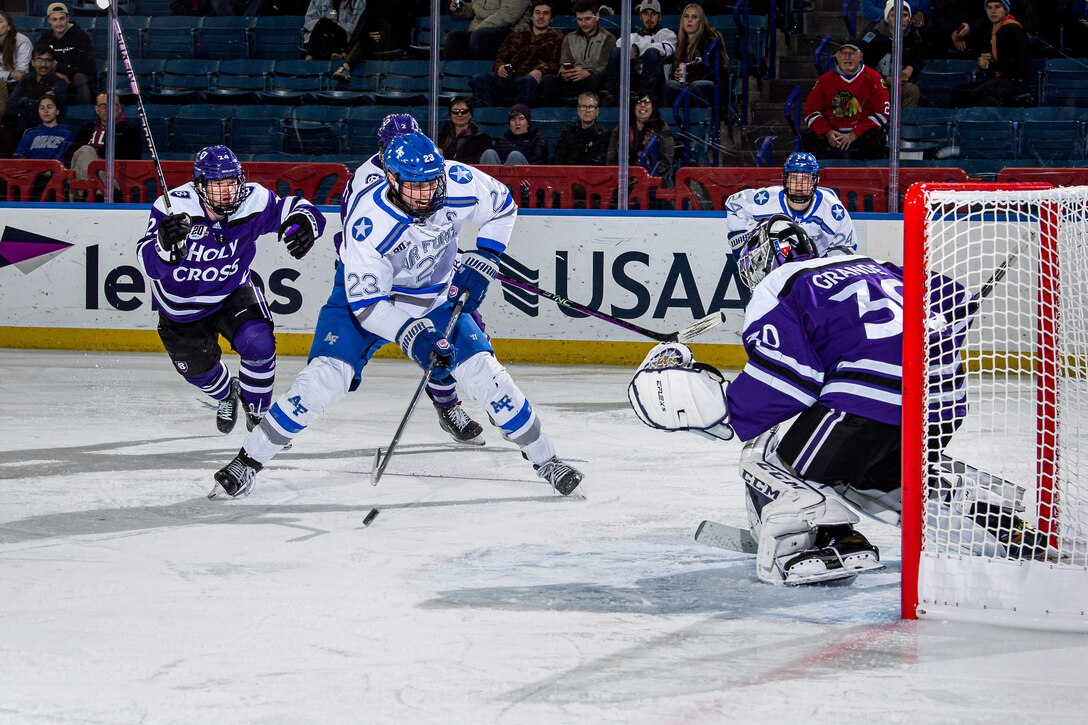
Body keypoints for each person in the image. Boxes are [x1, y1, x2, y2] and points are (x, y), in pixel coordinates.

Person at [627, 217, 1043, 585]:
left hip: (870, 400)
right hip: (943, 403)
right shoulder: (869, 265)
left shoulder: (779, 286)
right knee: (872, 475)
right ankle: (988, 522)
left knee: (769, 455)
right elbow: (951, 297)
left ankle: (827, 539)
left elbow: (788, 384)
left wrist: (708, 401)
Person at [212, 131, 586, 500]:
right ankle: (248, 462)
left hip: (433, 297)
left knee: (487, 376)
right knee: (322, 381)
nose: (428, 194)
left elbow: (503, 205)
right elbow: (370, 306)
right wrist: (415, 336)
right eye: (416, 186)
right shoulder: (369, 222)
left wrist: (486, 257)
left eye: (432, 183)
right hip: (365, 300)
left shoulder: (456, 181)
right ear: (392, 178)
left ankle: (547, 459)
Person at [135, 146, 325, 437]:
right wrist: (163, 245)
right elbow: (148, 261)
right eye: (217, 184)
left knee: (260, 345)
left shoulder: (254, 200)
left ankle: (260, 417)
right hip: (180, 309)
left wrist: (306, 224)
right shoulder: (173, 206)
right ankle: (227, 393)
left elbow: (297, 208)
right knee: (198, 372)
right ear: (199, 186)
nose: (227, 192)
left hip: (232, 293)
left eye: (231, 183)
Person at [343, 112, 488, 444]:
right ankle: (343, 370)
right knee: (359, 346)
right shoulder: (366, 180)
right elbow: (360, 240)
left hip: (434, 276)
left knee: (463, 331)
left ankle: (451, 404)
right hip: (388, 282)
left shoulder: (431, 171)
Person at [722, 152, 857, 258]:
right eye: (793, 178)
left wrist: (824, 268)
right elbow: (735, 204)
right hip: (776, 260)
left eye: (805, 178)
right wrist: (739, 244)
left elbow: (847, 246)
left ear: (815, 181)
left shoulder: (831, 207)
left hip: (816, 263)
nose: (799, 184)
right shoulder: (767, 199)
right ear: (785, 179)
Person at [800, 37, 889, 160]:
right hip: (833, 133)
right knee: (807, 137)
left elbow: (882, 112)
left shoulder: (873, 78)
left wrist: (855, 134)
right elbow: (810, 111)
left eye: (851, 53)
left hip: (861, 134)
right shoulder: (825, 80)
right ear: (837, 56)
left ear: (860, 55)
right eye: (843, 53)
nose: (847, 57)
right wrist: (828, 132)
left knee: (875, 138)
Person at [468, 0, 563, 108]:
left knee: (528, 81)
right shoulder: (516, 35)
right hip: (508, 78)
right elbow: (500, 58)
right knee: (478, 79)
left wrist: (540, 70)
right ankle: (486, 117)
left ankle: (517, 117)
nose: (541, 16)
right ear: (531, 16)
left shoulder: (557, 38)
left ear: (551, 19)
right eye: (537, 12)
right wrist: (500, 67)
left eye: (546, 13)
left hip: (529, 79)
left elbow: (556, 64)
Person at [950, 1, 1032, 107]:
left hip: (1015, 81)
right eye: (989, 7)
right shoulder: (994, 28)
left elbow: (1017, 66)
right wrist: (985, 59)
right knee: (959, 92)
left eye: (997, 7)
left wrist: (990, 64)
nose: (993, 11)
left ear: (1005, 10)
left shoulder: (1013, 29)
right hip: (1000, 78)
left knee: (976, 95)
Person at [538, 0, 616, 106]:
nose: (583, 24)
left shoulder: (608, 38)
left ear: (597, 16)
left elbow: (604, 66)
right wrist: (563, 74)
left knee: (593, 79)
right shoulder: (569, 38)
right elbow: (564, 63)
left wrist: (587, 72)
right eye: (579, 19)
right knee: (548, 80)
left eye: (587, 19)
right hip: (572, 79)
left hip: (594, 79)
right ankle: (550, 115)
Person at [67, 92, 142, 195]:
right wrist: (91, 159)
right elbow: (71, 154)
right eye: (103, 106)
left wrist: (99, 161)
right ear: (97, 109)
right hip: (83, 172)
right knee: (86, 151)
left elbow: (133, 157)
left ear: (119, 108)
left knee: (87, 151)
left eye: (112, 105)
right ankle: (100, 191)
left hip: (112, 173)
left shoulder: (128, 129)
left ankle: (90, 192)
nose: (107, 109)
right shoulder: (87, 128)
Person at [605, 0, 676, 105]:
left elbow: (668, 48)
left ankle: (646, 99)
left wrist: (637, 49)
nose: (649, 18)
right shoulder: (631, 37)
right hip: (631, 82)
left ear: (659, 16)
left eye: (653, 14)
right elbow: (617, 51)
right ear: (640, 16)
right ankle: (612, 97)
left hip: (657, 84)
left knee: (652, 52)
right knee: (616, 52)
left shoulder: (667, 34)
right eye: (645, 13)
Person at [663, 4, 730, 112]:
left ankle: (702, 122)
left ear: (701, 21)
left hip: (709, 84)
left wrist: (693, 74)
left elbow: (717, 71)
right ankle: (670, 123)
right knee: (670, 85)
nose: (689, 20)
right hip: (688, 85)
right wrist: (676, 74)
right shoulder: (680, 44)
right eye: (686, 16)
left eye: (694, 17)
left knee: (697, 86)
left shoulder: (711, 40)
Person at [860, 1, 924, 108]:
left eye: (904, 15)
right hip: (876, 84)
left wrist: (911, 68)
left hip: (900, 86)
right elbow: (864, 67)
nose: (899, 19)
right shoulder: (872, 38)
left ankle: (906, 123)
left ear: (909, 19)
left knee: (913, 90)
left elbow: (919, 60)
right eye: (894, 15)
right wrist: (884, 79)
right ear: (887, 18)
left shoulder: (914, 37)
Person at [330, 0, 413, 81]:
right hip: (377, 35)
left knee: (368, 14)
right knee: (366, 40)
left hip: (394, 36)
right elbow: (370, 20)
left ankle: (346, 52)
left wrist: (381, 31)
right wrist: (369, 32)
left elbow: (404, 21)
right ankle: (345, 67)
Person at [36, 3, 95, 106]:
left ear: (67, 18)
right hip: (54, 77)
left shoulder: (81, 36)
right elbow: (36, 62)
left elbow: (86, 66)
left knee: (80, 77)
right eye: (54, 19)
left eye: (61, 19)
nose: (58, 23)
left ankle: (83, 113)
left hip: (77, 79)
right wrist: (55, 73)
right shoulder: (45, 38)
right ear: (49, 21)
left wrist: (58, 66)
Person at [605, 92, 674, 179]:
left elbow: (666, 160)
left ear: (652, 106)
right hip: (624, 180)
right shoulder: (622, 129)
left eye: (647, 101)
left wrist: (646, 177)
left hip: (652, 179)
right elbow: (611, 160)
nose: (642, 105)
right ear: (633, 107)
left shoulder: (661, 127)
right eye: (638, 102)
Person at [4, 44, 67, 137]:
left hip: (46, 132)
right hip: (21, 129)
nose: (43, 65)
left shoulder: (59, 83)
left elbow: (49, 111)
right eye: (39, 60)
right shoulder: (25, 79)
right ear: (32, 62)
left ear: (53, 63)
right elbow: (10, 106)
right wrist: (38, 102)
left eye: (47, 60)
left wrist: (24, 101)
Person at [446, 0, 532, 61]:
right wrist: (462, 8)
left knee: (479, 37)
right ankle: (455, 81)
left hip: (512, 33)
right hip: (480, 31)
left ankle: (484, 78)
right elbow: (475, 10)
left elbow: (507, 16)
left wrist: (478, 28)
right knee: (454, 37)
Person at [551, 91, 610, 165]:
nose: (587, 110)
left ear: (597, 111)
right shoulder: (568, 131)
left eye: (591, 107)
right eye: (583, 107)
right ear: (578, 110)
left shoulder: (604, 134)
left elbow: (599, 162)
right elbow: (558, 159)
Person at [480, 103, 549, 165]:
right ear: (509, 124)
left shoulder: (537, 138)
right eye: (513, 120)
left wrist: (511, 162)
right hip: (501, 174)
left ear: (528, 123)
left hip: (529, 175)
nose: (517, 123)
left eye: (521, 119)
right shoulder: (503, 139)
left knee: (515, 156)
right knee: (488, 153)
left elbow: (539, 160)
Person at [436, 96, 494, 164]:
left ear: (470, 115)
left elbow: (479, 162)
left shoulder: (482, 139)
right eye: (455, 112)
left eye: (464, 111)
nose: (459, 115)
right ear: (450, 115)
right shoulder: (440, 136)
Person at [13, 94, 72, 161]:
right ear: (38, 111)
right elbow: (18, 157)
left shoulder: (67, 135)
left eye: (49, 107)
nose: (45, 111)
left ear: (57, 111)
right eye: (42, 108)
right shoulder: (29, 135)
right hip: (31, 170)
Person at [0, 10, 33, 112]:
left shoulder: (22, 41)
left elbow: (20, 74)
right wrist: (10, 74)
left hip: (17, 86)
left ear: (9, 26)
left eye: (0, 21)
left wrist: (5, 75)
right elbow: (14, 74)